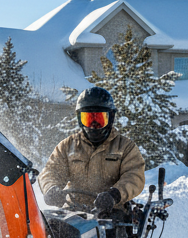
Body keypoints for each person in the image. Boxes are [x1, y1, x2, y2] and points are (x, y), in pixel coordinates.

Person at [39, 86, 146, 215]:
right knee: (50, 229)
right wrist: (51, 188)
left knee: (111, 232)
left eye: (99, 119)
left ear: (111, 118)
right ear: (80, 119)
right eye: (88, 119)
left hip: (111, 213)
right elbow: (51, 171)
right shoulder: (68, 146)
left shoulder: (125, 147)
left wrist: (114, 194)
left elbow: (134, 177)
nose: (94, 125)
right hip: (74, 211)